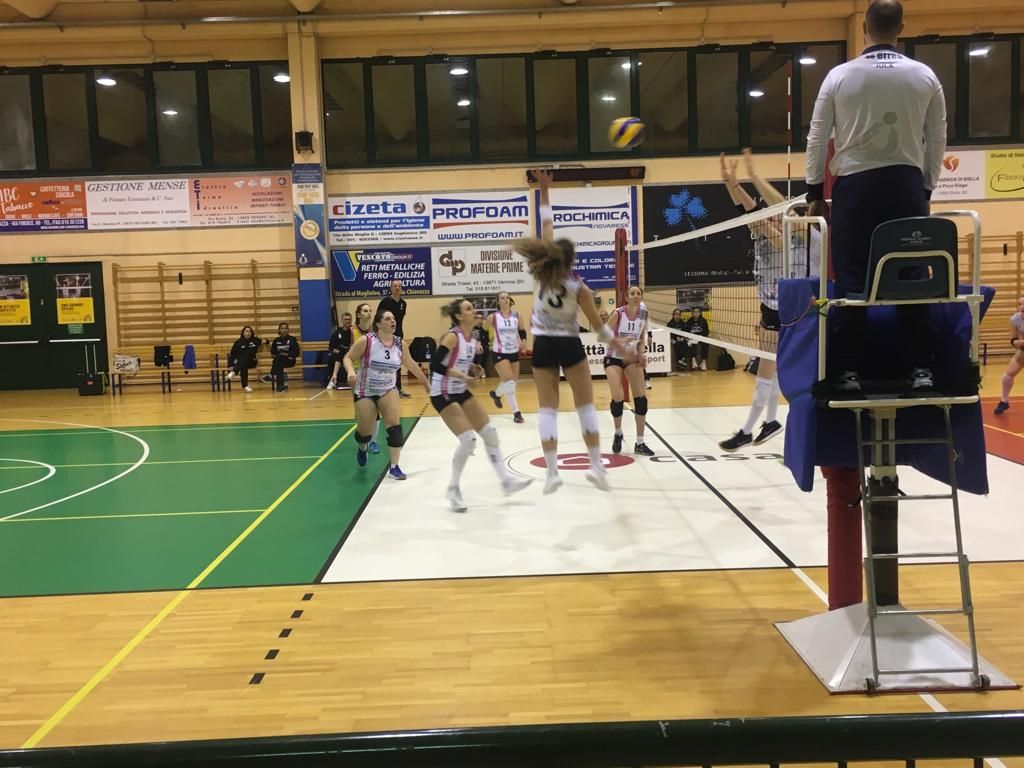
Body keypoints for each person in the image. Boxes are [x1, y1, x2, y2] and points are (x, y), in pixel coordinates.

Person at [805, 0, 946, 393]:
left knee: (852, 280)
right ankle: (920, 370)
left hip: (855, 190)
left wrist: (814, 191)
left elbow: (817, 137)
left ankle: (848, 373)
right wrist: (925, 188)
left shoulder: (839, 76)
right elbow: (937, 138)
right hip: (905, 186)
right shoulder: (924, 76)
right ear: (901, 27)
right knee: (911, 276)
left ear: (864, 28)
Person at [512, 169, 629, 494]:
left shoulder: (541, 276)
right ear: (573, 260)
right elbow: (600, 330)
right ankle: (596, 467)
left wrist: (544, 190)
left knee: (547, 409)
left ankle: (552, 473)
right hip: (569, 344)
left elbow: (546, 225)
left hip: (543, 345)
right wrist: (624, 349)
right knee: (585, 407)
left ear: (551, 255)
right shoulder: (580, 288)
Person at [717, 150, 819, 451]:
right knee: (770, 368)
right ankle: (771, 421)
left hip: (789, 308)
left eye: (776, 215)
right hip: (769, 307)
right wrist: (732, 184)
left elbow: (760, 212)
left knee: (765, 369)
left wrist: (749, 179)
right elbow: (746, 210)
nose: (771, 217)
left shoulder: (791, 238)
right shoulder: (762, 233)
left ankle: (748, 429)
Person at [432, 298, 533, 512]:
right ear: (459, 316)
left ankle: (506, 481)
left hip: (460, 389)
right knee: (468, 440)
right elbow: (435, 365)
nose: (474, 310)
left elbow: (456, 360)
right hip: (442, 392)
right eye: (469, 308)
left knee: (490, 433)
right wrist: (462, 375)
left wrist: (472, 367)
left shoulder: (472, 337)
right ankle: (453, 489)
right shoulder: (452, 336)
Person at [343, 309, 429, 480]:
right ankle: (362, 448)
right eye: (388, 318)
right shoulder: (367, 341)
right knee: (365, 433)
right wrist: (351, 371)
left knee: (394, 427)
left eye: (394, 318)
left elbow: (410, 364)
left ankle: (394, 467)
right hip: (365, 390)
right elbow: (347, 358)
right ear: (378, 323)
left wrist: (426, 383)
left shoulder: (400, 343)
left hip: (388, 389)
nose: (393, 321)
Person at [604, 285, 655, 457]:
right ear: (626, 297)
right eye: (632, 293)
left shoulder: (643, 314)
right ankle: (618, 433)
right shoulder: (618, 314)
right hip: (613, 357)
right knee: (618, 397)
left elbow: (642, 337)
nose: (635, 295)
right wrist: (622, 340)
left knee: (641, 400)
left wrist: (642, 353)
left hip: (631, 358)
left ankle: (640, 443)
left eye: (638, 293)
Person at [487, 291, 528, 424]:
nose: (505, 300)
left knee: (511, 383)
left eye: (507, 297)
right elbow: (482, 330)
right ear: (498, 301)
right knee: (509, 382)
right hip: (499, 352)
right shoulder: (493, 317)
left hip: (514, 351)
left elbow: (522, 331)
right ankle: (516, 413)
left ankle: (496, 394)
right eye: (502, 298)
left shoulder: (517, 315)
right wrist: (478, 343)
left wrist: (523, 341)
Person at [376, 280, 411, 398]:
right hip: (385, 336)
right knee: (385, 361)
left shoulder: (403, 304)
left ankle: (398, 388)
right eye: (395, 286)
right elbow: (378, 318)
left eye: (399, 286)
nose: (397, 288)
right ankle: (383, 388)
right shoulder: (385, 302)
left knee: (397, 362)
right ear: (391, 288)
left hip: (398, 335)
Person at [995, 298, 1024, 415]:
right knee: (1007, 375)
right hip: (1023, 351)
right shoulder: (1015, 319)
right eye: (1020, 304)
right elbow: (1013, 339)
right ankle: (1004, 401)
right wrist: (1016, 342)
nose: (1022, 307)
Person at [263, 322, 299, 393]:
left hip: (290, 360)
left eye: (286, 328)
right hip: (279, 361)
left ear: (288, 330)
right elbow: (273, 353)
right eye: (282, 328)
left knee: (279, 359)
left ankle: (271, 375)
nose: (284, 330)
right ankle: (280, 387)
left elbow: (296, 353)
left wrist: (286, 354)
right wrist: (279, 355)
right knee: (279, 362)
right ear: (279, 330)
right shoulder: (276, 340)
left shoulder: (292, 339)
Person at [225, 325, 260, 392]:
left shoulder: (255, 340)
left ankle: (234, 372)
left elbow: (265, 341)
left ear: (251, 333)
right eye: (246, 331)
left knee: (246, 355)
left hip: (252, 361)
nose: (248, 333)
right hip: (242, 363)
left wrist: (266, 341)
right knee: (243, 365)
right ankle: (245, 386)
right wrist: (230, 365)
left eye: (250, 331)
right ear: (243, 333)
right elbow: (232, 354)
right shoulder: (238, 342)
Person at [326, 312, 353, 391]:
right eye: (346, 319)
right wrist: (336, 350)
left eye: (349, 319)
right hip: (339, 353)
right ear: (342, 320)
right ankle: (332, 378)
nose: (348, 321)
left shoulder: (352, 331)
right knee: (335, 356)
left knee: (341, 354)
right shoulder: (337, 332)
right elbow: (331, 346)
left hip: (350, 352)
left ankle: (334, 379)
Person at [684, 307, 710, 371]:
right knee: (692, 343)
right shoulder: (689, 321)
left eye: (697, 312)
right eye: (694, 312)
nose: (696, 313)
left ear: (700, 313)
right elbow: (686, 331)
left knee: (706, 343)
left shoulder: (703, 321)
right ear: (692, 313)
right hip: (693, 338)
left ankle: (703, 362)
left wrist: (700, 334)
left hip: (700, 337)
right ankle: (693, 360)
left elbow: (707, 331)